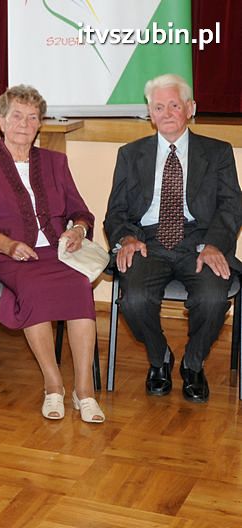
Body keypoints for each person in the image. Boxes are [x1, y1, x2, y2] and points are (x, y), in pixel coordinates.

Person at [0, 85, 105, 423]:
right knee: (35, 289)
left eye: (32, 117)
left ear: (40, 124)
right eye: (17, 116)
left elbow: (81, 211)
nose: (24, 124)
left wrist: (77, 231)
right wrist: (9, 245)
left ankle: (84, 390)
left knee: (80, 287)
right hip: (7, 254)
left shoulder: (56, 162)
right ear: (1, 120)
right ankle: (53, 385)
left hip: (57, 252)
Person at [104, 74, 242, 403]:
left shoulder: (218, 152)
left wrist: (214, 244)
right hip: (146, 242)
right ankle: (160, 359)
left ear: (191, 109)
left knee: (212, 299)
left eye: (175, 105)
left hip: (200, 241)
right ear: (150, 113)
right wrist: (126, 238)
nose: (167, 113)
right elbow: (115, 212)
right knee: (133, 300)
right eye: (158, 107)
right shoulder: (129, 154)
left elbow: (231, 206)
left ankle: (193, 365)